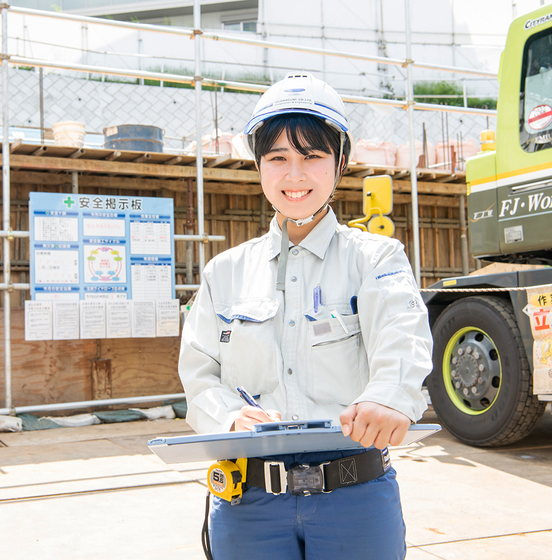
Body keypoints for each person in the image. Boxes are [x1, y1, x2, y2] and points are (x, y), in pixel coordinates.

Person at [178, 72, 433, 560]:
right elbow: (199, 373)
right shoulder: (223, 272)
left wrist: (388, 398)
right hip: (248, 500)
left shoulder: (376, 258)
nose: (295, 175)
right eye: (278, 158)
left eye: (312, 156)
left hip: (354, 497)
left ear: (338, 165)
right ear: (259, 167)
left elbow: (402, 333)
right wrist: (229, 418)